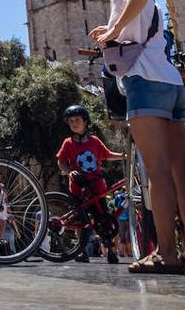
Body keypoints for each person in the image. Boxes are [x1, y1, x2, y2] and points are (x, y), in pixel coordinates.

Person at [89, 0, 185, 275]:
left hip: (145, 86)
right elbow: (142, 15)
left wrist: (113, 29)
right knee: (180, 170)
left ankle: (166, 253)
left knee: (156, 170)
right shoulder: (154, 7)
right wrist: (114, 30)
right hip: (172, 85)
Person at [56, 104, 124, 264]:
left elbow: (107, 155)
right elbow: (61, 162)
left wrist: (124, 155)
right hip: (79, 188)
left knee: (104, 220)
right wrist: (69, 171)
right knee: (80, 222)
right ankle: (81, 252)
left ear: (85, 121)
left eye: (77, 120)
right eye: (71, 121)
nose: (74, 123)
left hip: (97, 187)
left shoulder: (94, 141)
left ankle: (110, 252)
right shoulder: (68, 142)